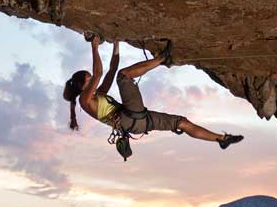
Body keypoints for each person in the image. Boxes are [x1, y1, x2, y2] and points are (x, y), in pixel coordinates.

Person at [63, 35, 244, 152]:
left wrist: (116, 43)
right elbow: (99, 73)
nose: (92, 82)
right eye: (88, 81)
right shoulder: (84, 101)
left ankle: (221, 139)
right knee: (124, 77)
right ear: (80, 86)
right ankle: (162, 59)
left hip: (138, 122)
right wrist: (94, 47)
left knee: (182, 122)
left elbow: (111, 70)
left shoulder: (99, 95)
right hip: (129, 118)